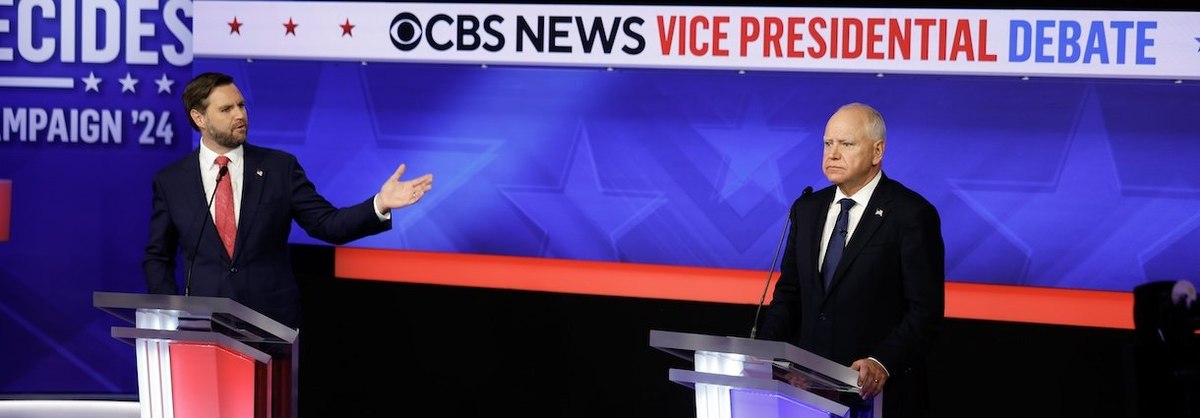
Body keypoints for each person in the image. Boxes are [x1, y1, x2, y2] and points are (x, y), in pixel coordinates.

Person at [143, 71, 434, 329]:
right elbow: (158, 256)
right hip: (204, 324)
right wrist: (172, 313)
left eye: (241, 105)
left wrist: (379, 204)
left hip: (271, 322)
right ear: (199, 118)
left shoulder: (279, 168)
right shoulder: (172, 181)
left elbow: (327, 224)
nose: (240, 115)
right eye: (226, 109)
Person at [756, 102, 944, 417]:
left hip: (876, 398)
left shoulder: (910, 214)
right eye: (828, 143)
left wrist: (881, 361)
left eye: (846, 144)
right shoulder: (806, 209)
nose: (832, 153)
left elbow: (924, 311)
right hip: (808, 392)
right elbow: (790, 295)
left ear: (877, 151)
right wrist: (761, 351)